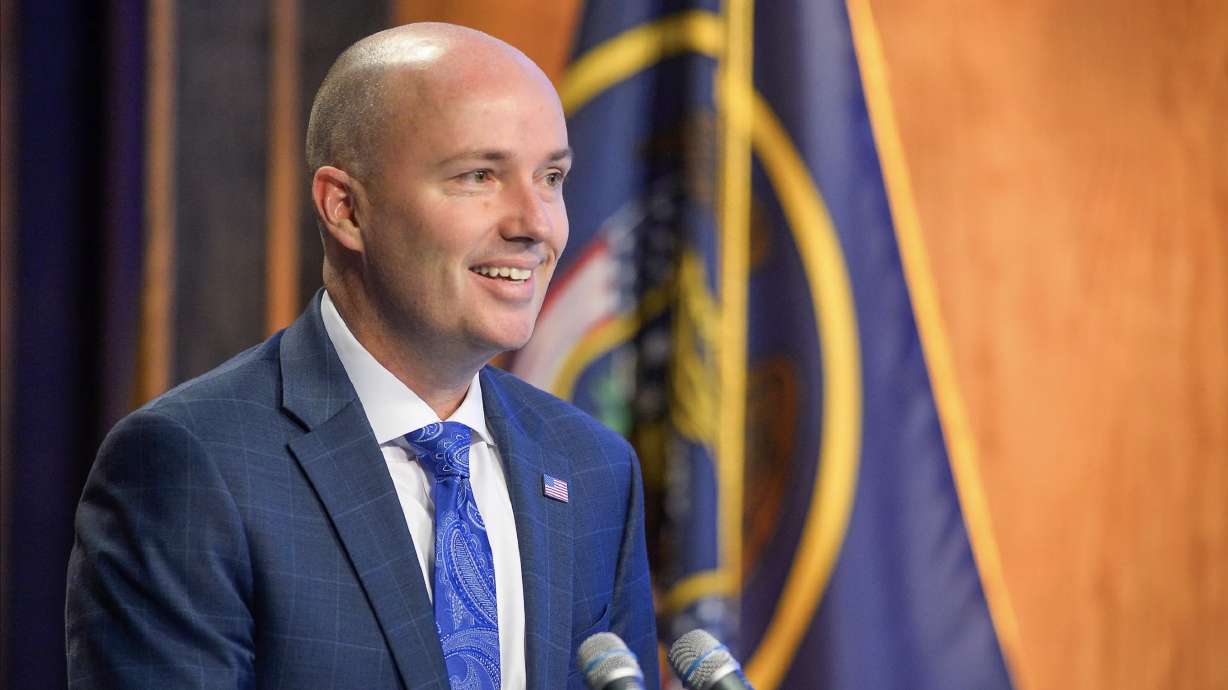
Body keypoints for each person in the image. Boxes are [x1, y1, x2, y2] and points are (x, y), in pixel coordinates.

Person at [65, 23, 657, 690]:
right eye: (479, 176)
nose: (535, 223)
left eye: (550, 177)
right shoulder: (193, 464)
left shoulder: (593, 468)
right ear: (345, 208)